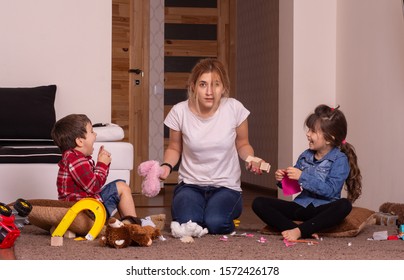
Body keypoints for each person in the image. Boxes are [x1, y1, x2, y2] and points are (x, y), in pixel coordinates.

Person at [158, 58, 266, 234]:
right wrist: (166, 166)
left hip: (226, 186)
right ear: (193, 86)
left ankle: (213, 214)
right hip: (190, 185)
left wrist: (251, 159)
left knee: (216, 223)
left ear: (223, 87)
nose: (209, 91)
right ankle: (199, 212)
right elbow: (174, 148)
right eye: (203, 84)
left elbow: (243, 144)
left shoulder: (234, 108)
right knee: (188, 223)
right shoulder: (179, 111)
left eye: (216, 84)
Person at [252, 104, 362, 241]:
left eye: (313, 131)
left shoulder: (340, 160)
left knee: (344, 205)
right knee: (259, 203)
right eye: (308, 129)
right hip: (301, 205)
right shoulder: (306, 155)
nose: (308, 134)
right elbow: (292, 188)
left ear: (329, 138)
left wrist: (302, 176)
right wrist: (282, 179)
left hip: (322, 209)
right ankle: (300, 230)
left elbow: (331, 190)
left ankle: (300, 230)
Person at [51, 114, 137, 218]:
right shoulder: (77, 160)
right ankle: (134, 225)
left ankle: (128, 223)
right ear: (80, 141)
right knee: (122, 187)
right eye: (91, 131)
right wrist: (102, 164)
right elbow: (94, 187)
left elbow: (94, 185)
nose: (95, 134)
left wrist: (102, 164)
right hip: (85, 213)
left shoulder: (73, 158)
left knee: (119, 185)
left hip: (80, 209)